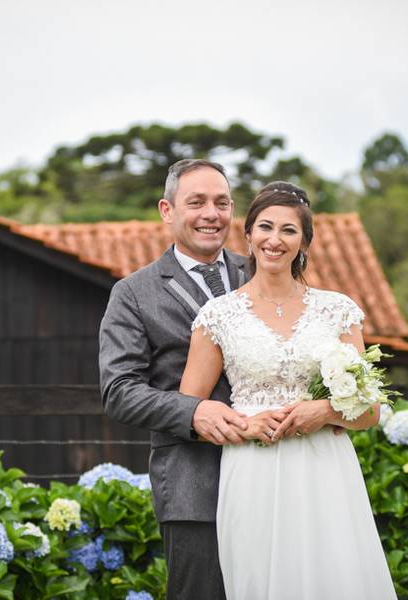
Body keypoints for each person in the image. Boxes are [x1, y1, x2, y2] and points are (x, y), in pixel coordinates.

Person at [180, 181, 398, 599]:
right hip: (252, 470)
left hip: (325, 468)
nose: (274, 240)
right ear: (248, 235)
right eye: (265, 227)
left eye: (288, 231)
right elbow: (191, 408)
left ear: (304, 242)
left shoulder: (338, 310)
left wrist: (326, 412)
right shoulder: (218, 316)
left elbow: (370, 411)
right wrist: (245, 426)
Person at [99, 159, 258, 599]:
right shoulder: (132, 294)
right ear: (167, 210)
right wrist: (194, 411)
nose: (212, 214)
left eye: (222, 203)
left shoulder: (265, 273)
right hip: (193, 485)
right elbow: (119, 391)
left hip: (274, 472)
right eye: (197, 202)